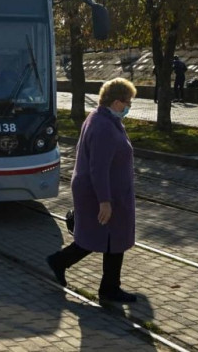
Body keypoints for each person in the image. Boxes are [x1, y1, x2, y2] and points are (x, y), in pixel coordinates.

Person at [46, 77, 138, 303]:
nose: (129, 107)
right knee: (105, 237)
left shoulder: (103, 118)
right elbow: (99, 168)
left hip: (107, 192)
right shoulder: (104, 126)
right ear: (116, 102)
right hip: (104, 193)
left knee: (105, 237)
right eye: (128, 102)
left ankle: (105, 284)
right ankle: (107, 287)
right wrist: (105, 201)